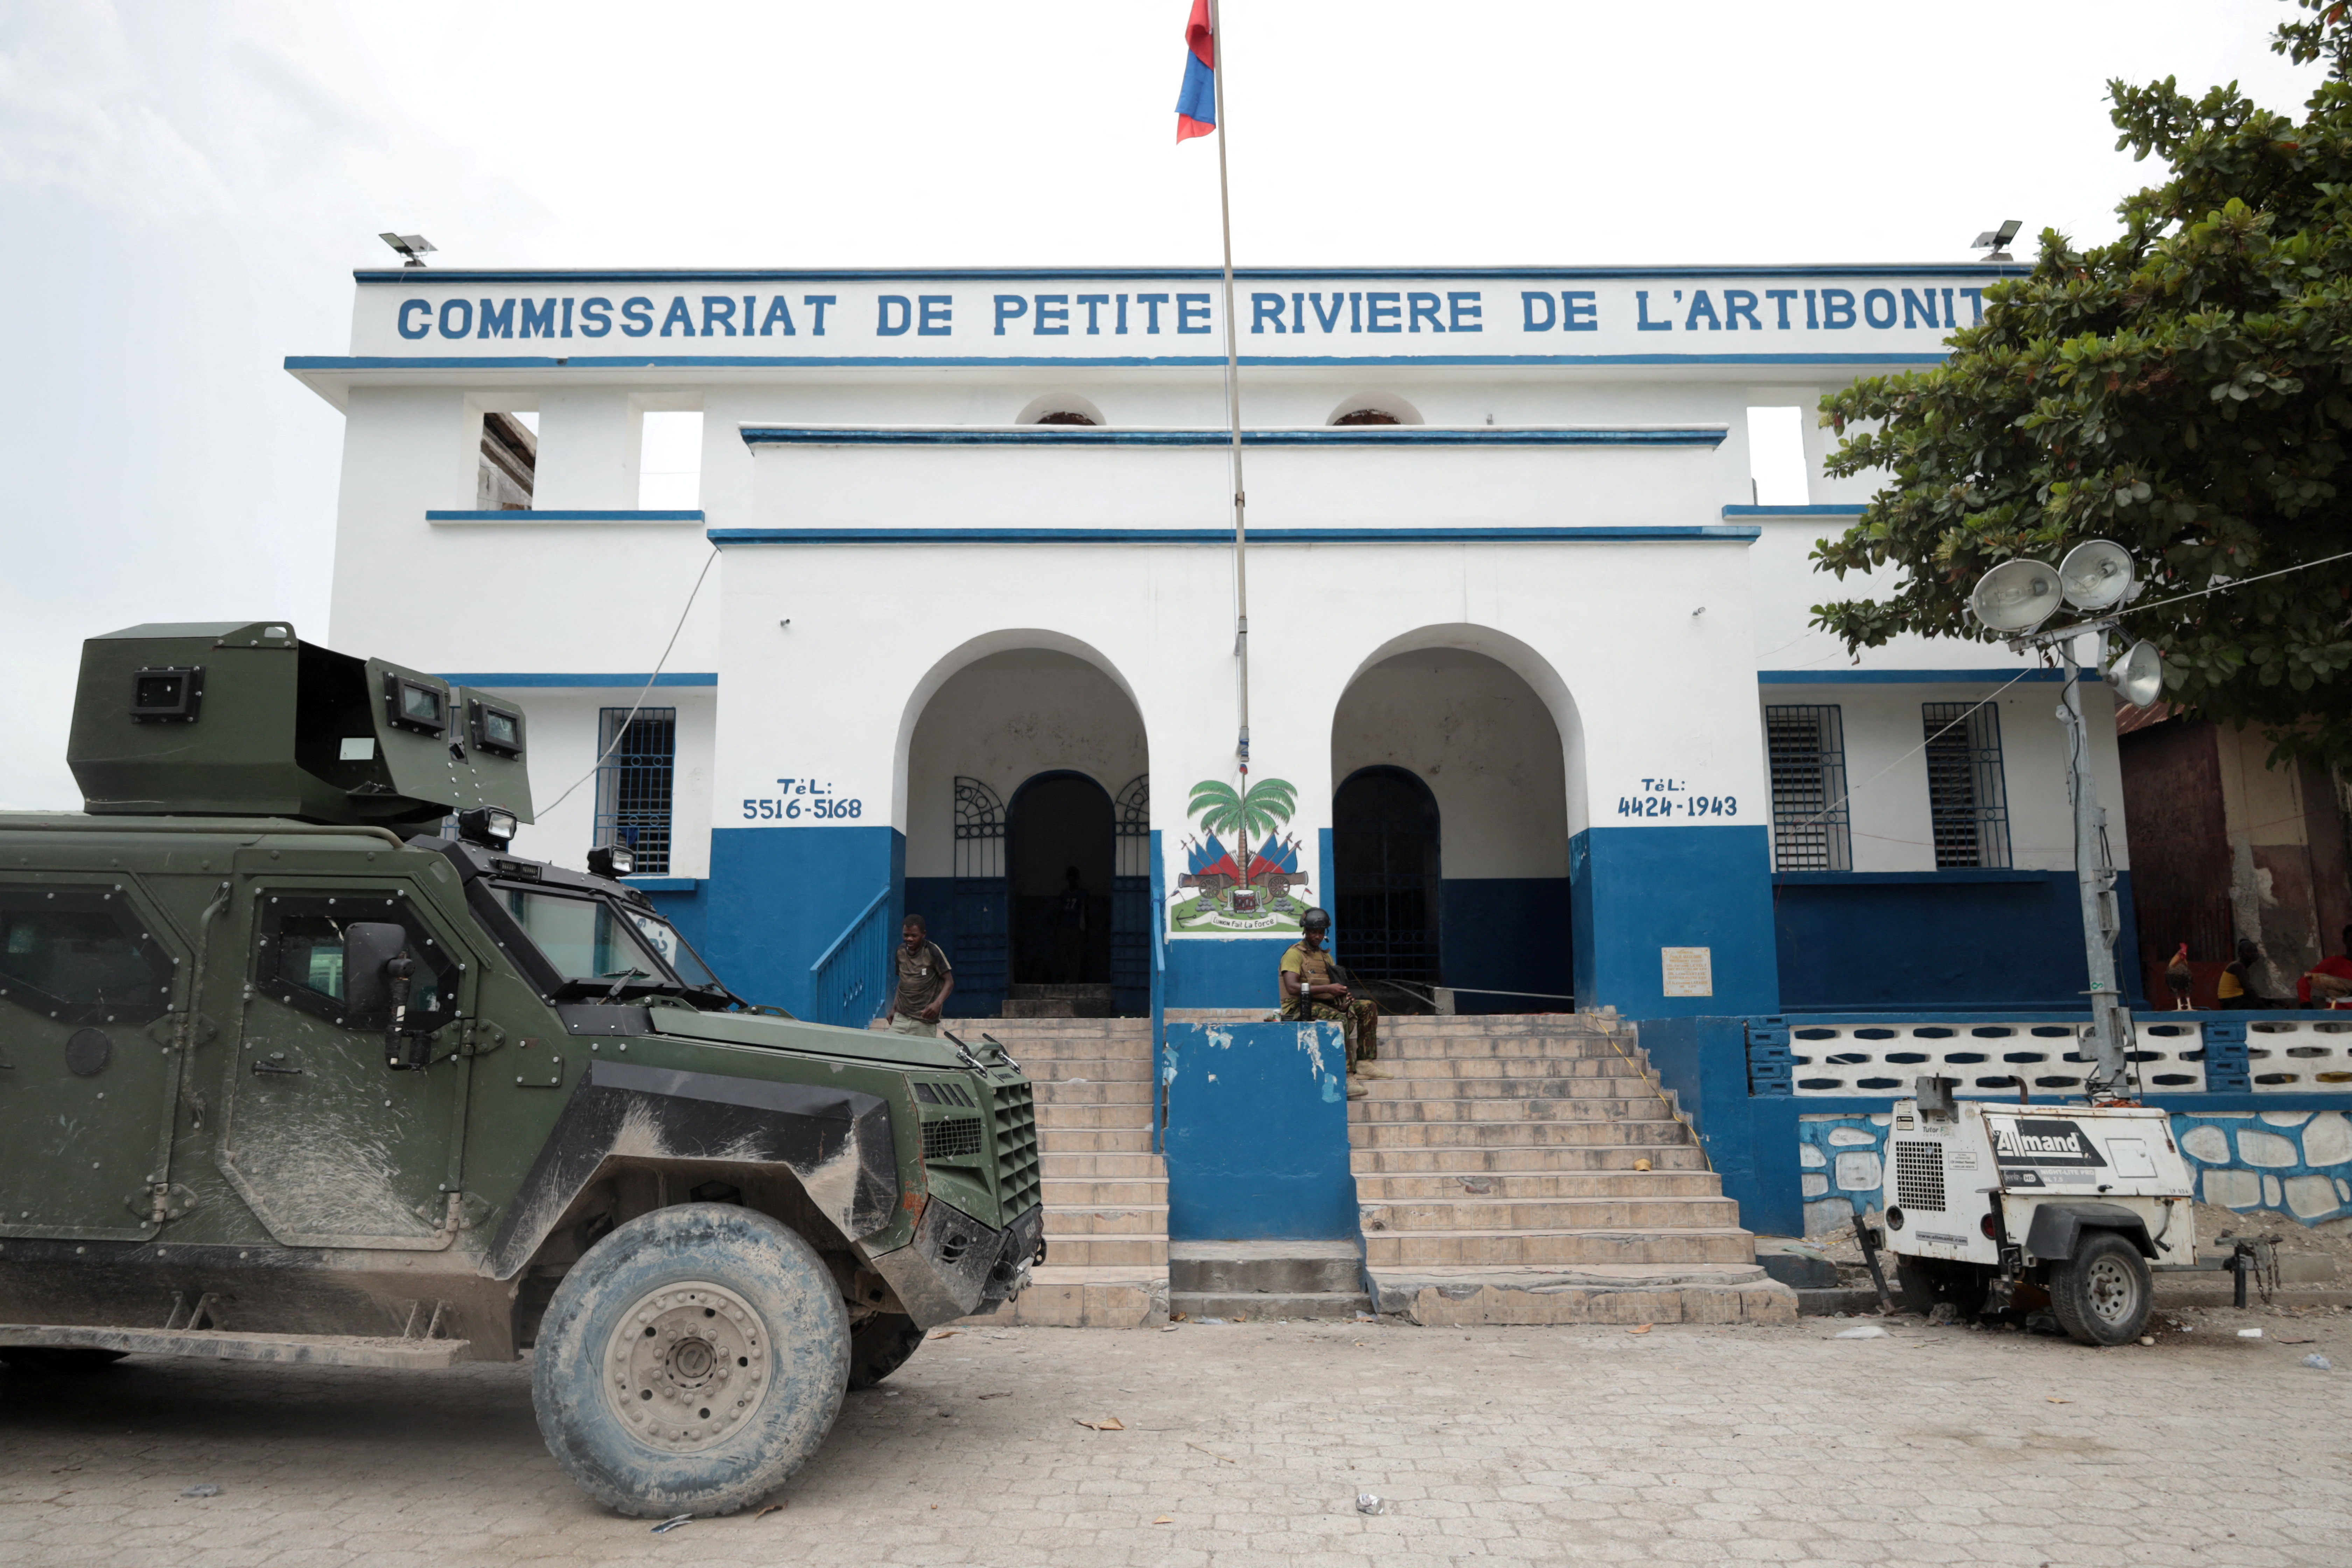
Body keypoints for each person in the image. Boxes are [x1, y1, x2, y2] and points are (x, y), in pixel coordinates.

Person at [1279, 907, 1385, 1097]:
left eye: (1321, 933)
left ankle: (1365, 1063)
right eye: (1313, 932)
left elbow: (1333, 987)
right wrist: (1329, 990)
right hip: (1298, 1008)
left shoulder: (1325, 956)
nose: (1317, 936)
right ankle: (1347, 1076)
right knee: (1337, 1019)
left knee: (1368, 1007)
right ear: (1305, 931)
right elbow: (1293, 988)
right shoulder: (1294, 954)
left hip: (1322, 1005)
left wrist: (1343, 1000)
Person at [887, 914, 954, 1036]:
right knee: (888, 1053)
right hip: (900, 1019)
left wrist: (937, 1004)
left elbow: (949, 982)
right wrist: (894, 1008)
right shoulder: (900, 952)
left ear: (923, 934)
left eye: (914, 936)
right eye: (906, 935)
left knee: (922, 1055)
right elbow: (903, 982)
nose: (910, 939)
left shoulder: (932, 951)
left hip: (924, 1022)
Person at [2297, 924, 2352, 1009]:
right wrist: (2306, 1003)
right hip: (2339, 1018)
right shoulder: (2332, 963)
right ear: (2345, 941)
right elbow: (2304, 981)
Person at [1055, 865, 1090, 983]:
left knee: (1076, 954)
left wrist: (1084, 927)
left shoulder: (1082, 894)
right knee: (1066, 954)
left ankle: (1074, 978)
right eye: (1071, 878)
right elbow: (1059, 912)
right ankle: (1069, 977)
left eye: (1074, 878)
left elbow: (1086, 912)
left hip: (1076, 928)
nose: (1072, 880)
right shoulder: (1064, 894)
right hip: (1066, 928)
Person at [2217, 937, 2272, 1009]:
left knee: (2266, 1002)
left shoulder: (2242, 967)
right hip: (2230, 1002)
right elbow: (2249, 990)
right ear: (2240, 954)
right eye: (2249, 951)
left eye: (2255, 951)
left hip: (2235, 1000)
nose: (2253, 954)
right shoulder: (2237, 966)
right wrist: (2264, 1008)